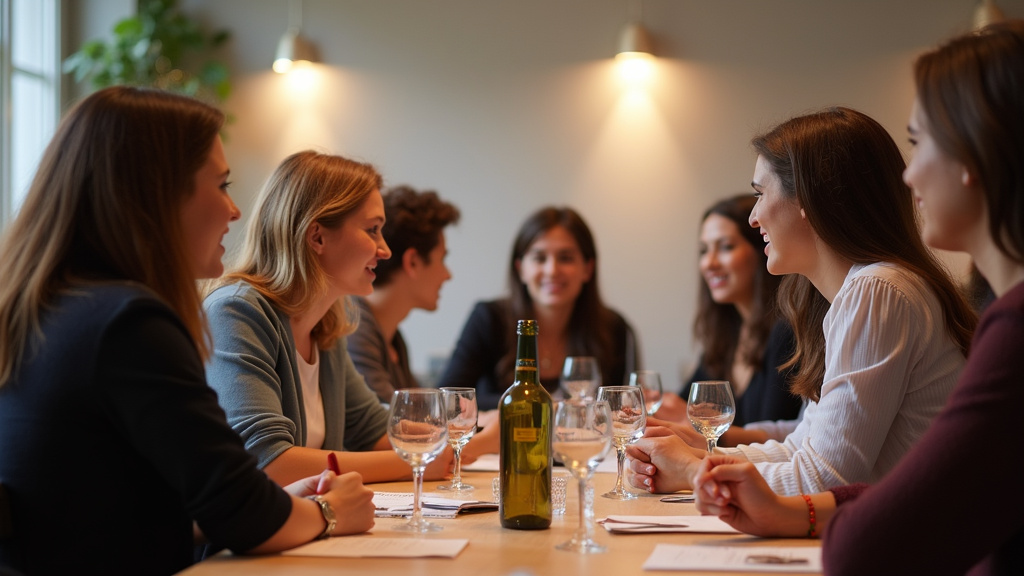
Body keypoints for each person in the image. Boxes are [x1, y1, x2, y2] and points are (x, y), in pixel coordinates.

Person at [693, 21, 1024, 575]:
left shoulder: (893, 293)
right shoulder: (982, 309)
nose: (909, 173)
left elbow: (859, 517)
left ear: (976, 155)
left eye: (920, 143)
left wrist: (713, 470)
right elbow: (883, 489)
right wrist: (752, 487)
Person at [0, 87, 374, 576]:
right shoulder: (129, 324)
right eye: (221, 185)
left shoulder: (57, 310)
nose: (235, 211)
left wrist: (286, 502)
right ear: (156, 192)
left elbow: (116, 516)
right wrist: (328, 513)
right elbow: (246, 514)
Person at [627, 106, 977, 497]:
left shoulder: (877, 291)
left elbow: (826, 480)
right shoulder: (865, 290)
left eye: (760, 194)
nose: (754, 218)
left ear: (808, 198)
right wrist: (701, 452)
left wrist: (693, 472)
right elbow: (802, 448)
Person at [203, 151, 496, 487]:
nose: (384, 250)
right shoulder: (237, 312)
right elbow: (268, 463)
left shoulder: (326, 328)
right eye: (372, 230)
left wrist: (461, 437)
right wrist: (413, 461)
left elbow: (374, 429)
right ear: (317, 236)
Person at [439, 206, 639, 411]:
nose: (552, 270)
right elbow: (447, 399)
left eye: (565, 258)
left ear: (587, 269)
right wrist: (546, 406)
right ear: (521, 269)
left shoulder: (613, 327)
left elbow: (617, 407)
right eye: (539, 258)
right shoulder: (488, 318)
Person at [656, 195, 802, 432]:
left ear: (762, 248)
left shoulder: (787, 331)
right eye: (704, 251)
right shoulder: (726, 334)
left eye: (725, 247)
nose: (709, 263)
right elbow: (683, 404)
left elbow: (778, 437)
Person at [347, 185, 460, 403]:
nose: (448, 275)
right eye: (442, 259)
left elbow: (423, 416)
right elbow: (397, 425)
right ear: (413, 262)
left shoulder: (394, 339)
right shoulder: (354, 328)